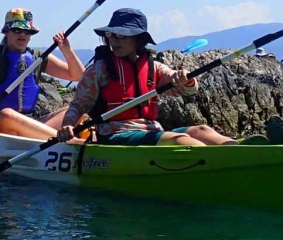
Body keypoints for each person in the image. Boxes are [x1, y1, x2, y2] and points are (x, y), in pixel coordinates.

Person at [56, 8, 232, 146]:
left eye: (121, 36)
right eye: (111, 35)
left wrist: (184, 78)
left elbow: (185, 88)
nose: (114, 41)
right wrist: (68, 125)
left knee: (202, 130)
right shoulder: (99, 70)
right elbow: (78, 106)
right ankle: (219, 162)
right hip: (114, 135)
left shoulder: (153, 67)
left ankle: (241, 150)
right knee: (179, 140)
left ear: (138, 40)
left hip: (150, 130)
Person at [0, 8, 84, 138]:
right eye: (17, 30)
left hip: (30, 122)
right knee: (7, 114)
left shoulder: (39, 57)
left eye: (27, 31)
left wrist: (67, 51)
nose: (23, 35)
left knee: (78, 110)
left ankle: (56, 137)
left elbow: (79, 76)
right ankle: (68, 141)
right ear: (6, 32)